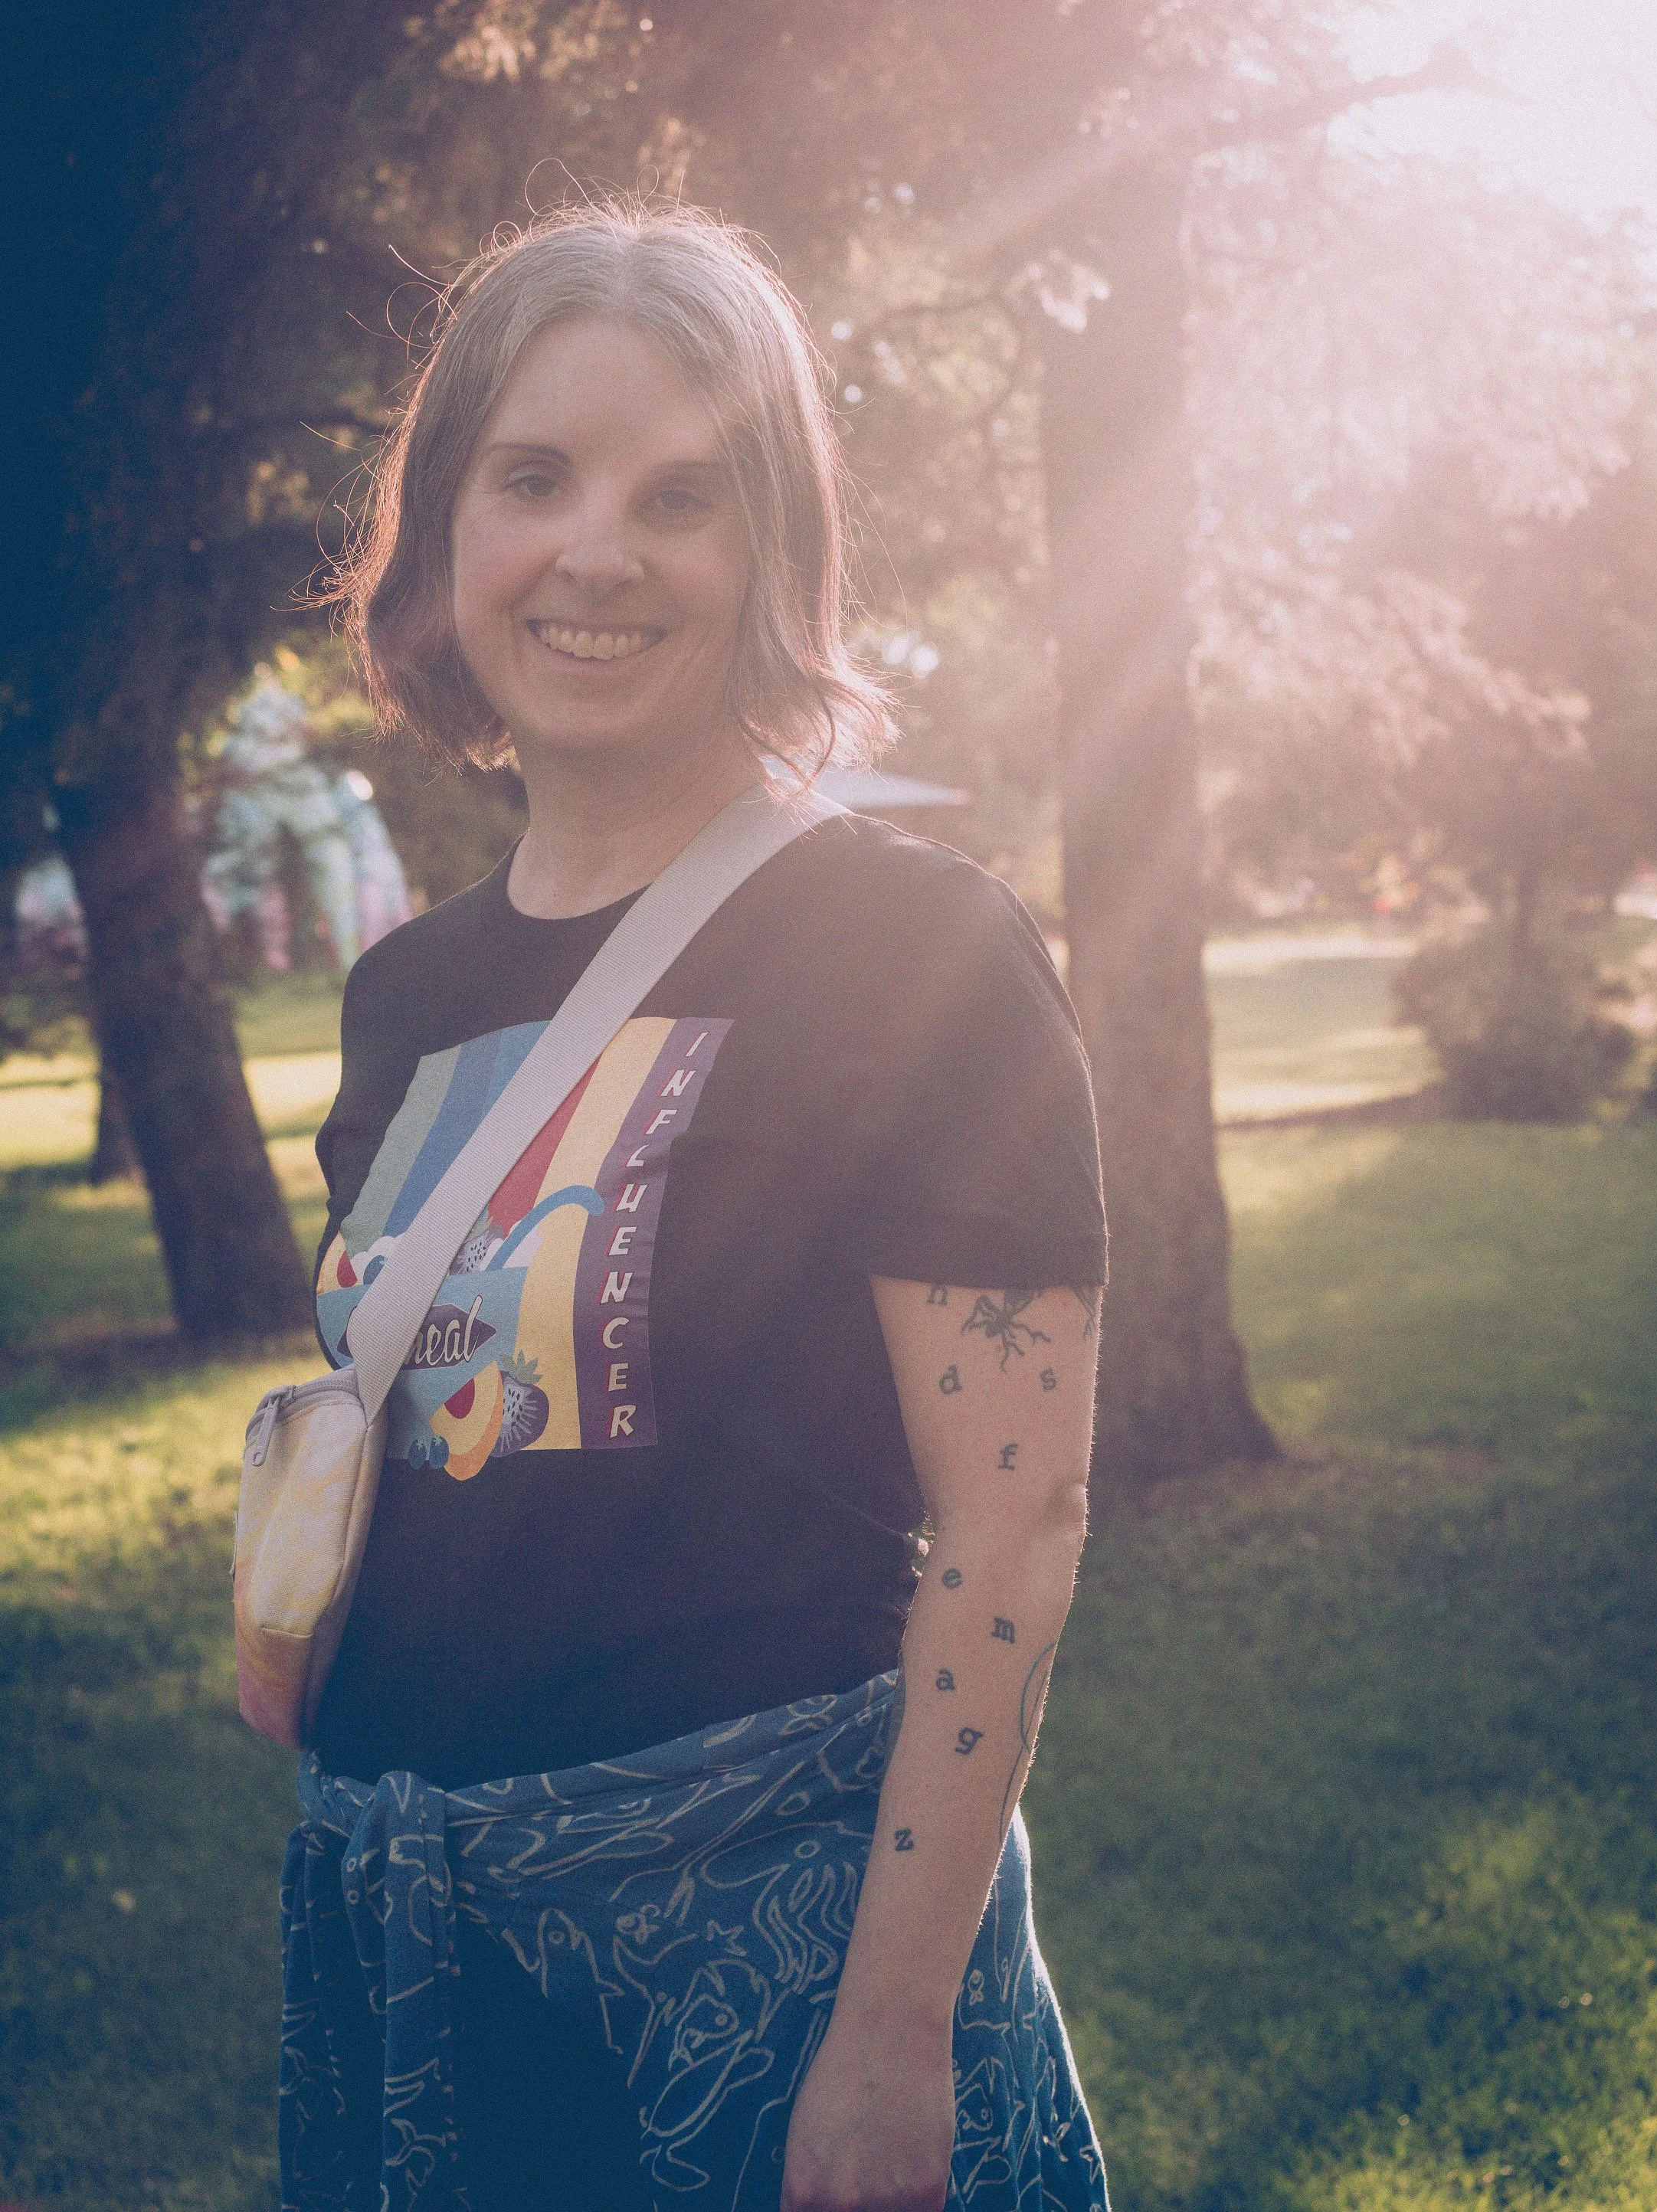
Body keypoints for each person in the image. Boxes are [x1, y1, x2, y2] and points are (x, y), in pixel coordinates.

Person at [292, 200, 1108, 2212]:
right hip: (417, 1949)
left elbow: (1014, 1525)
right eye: (536, 476)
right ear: (447, 528)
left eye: (684, 495)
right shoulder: (406, 995)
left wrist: (896, 2030)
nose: (597, 549)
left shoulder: (911, 949)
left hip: (764, 1969)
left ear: (773, 562)